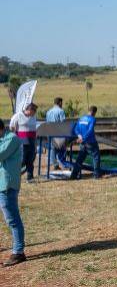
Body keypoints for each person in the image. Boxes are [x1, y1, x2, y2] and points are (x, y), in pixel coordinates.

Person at [0, 119, 26, 266]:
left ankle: (18, 252)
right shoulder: (4, 138)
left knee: (12, 220)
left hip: (7, 185)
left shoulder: (12, 139)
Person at [9, 104, 38, 181]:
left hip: (32, 140)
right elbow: (11, 126)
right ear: (30, 110)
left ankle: (30, 176)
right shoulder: (18, 115)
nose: (35, 113)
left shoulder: (33, 117)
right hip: (22, 140)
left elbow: (34, 129)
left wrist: (35, 142)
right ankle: (14, 175)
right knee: (22, 159)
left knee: (31, 159)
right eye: (34, 111)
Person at [70, 106, 100, 180]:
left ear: (88, 110)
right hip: (91, 142)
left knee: (80, 159)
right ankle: (96, 175)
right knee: (96, 157)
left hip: (82, 143)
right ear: (94, 112)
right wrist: (83, 138)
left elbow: (76, 129)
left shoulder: (81, 118)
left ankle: (73, 175)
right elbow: (90, 131)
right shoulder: (92, 119)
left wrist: (79, 136)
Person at [45, 97, 67, 170]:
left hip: (49, 130)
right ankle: (63, 163)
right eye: (62, 103)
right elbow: (63, 122)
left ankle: (55, 164)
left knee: (52, 148)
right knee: (62, 147)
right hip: (58, 131)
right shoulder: (61, 111)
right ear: (60, 103)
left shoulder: (49, 111)